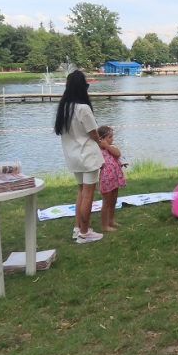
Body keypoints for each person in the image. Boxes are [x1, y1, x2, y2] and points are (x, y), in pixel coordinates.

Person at [54, 70, 104, 244]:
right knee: (88, 194)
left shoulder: (64, 107)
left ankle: (78, 228)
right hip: (87, 155)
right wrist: (100, 142)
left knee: (81, 192)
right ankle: (84, 232)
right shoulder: (83, 108)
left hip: (73, 155)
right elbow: (93, 133)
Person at [97, 125, 126, 232]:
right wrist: (103, 146)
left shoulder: (112, 147)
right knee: (106, 202)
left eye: (112, 136)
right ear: (101, 139)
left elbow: (118, 154)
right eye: (109, 137)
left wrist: (108, 146)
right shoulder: (98, 150)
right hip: (106, 179)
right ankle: (104, 225)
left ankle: (111, 220)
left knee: (113, 201)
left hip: (115, 177)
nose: (112, 139)